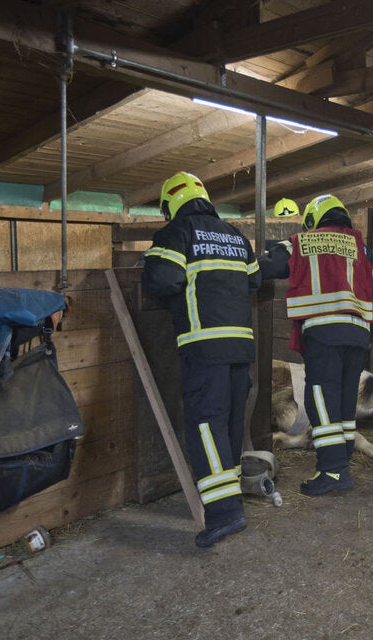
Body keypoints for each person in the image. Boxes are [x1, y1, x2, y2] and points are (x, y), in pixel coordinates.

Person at [142, 171, 261, 548]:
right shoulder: (234, 234)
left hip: (204, 345)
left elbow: (161, 279)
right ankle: (232, 502)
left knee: (206, 426)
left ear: (171, 204)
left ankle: (225, 513)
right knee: (227, 423)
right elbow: (254, 279)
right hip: (241, 346)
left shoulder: (177, 233)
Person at [259, 194, 373, 496]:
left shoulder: (303, 242)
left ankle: (333, 472)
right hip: (357, 336)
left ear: (312, 220)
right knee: (342, 402)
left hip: (324, 336)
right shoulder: (361, 248)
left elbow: (268, 266)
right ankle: (344, 459)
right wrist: (369, 335)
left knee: (321, 403)